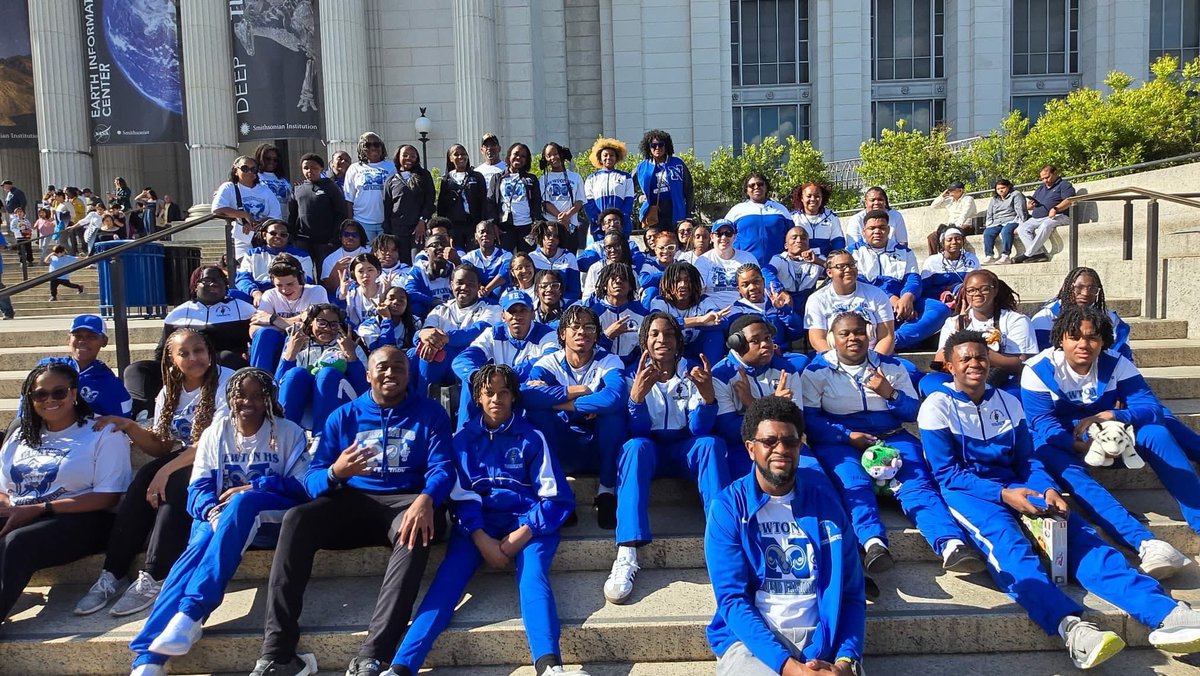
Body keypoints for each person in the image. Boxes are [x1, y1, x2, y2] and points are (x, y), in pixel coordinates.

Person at [922, 329, 1200, 669]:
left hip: (1018, 480)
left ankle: (1167, 613)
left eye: (980, 356)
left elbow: (1028, 459)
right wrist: (1004, 494)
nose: (974, 363)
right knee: (1011, 551)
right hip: (970, 492)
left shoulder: (1008, 402)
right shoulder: (936, 406)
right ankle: (1073, 629)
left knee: (1080, 536)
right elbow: (947, 474)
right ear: (950, 366)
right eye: (964, 358)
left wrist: (1048, 489)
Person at [248, 346, 454, 676]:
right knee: (296, 518)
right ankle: (277, 653)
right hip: (353, 501)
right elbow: (312, 479)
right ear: (368, 375)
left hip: (406, 501)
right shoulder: (343, 417)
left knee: (414, 529)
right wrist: (336, 472)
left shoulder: (430, 413)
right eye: (382, 367)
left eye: (398, 367)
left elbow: (443, 467)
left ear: (409, 373)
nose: (390, 373)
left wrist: (427, 499)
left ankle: (373, 654)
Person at [382, 365, 587, 676]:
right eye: (489, 392)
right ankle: (401, 667)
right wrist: (481, 538)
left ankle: (549, 665)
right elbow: (461, 497)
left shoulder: (532, 436)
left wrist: (523, 533)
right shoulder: (462, 440)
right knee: (445, 585)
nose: (496, 399)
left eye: (503, 392)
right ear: (477, 397)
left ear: (513, 397)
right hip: (478, 526)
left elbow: (556, 497)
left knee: (533, 578)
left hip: (529, 524)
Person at [126, 369, 310, 675]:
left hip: (269, 519)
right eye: (240, 395)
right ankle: (149, 658)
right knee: (194, 549)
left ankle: (192, 611)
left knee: (242, 502)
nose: (247, 401)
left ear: (269, 399)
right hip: (220, 516)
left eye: (256, 395)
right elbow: (198, 489)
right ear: (229, 398)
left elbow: (304, 486)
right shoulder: (216, 431)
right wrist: (211, 512)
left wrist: (256, 487)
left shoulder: (289, 432)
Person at [1021, 305, 1198, 579]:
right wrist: (1081, 446)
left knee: (1157, 433)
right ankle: (1145, 543)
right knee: (1055, 458)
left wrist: (1111, 414)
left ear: (1103, 340)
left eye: (1092, 337)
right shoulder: (1039, 369)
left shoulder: (1116, 363)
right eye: (1075, 336)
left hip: (1114, 434)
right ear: (1061, 339)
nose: (1084, 344)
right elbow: (1043, 424)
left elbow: (1150, 407)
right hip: (1065, 442)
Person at [801, 312, 981, 576]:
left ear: (870, 335)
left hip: (891, 433)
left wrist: (890, 393)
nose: (853, 338)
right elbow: (810, 420)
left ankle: (951, 544)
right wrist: (847, 436)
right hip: (842, 439)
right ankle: (873, 543)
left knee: (916, 482)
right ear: (832, 338)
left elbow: (912, 413)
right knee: (854, 483)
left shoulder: (892, 366)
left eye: (859, 332)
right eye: (845, 333)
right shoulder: (817, 370)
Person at [75, 329, 233, 619]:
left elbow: (213, 442)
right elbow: (161, 447)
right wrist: (131, 427)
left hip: (228, 461)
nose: (194, 358)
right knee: (143, 479)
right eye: (184, 353)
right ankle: (112, 573)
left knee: (172, 484)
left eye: (199, 350)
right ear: (171, 360)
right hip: (187, 458)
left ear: (209, 352)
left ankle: (154, 576)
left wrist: (166, 471)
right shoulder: (170, 391)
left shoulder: (227, 381)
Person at [704, 396, 865, 676]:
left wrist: (846, 661)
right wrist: (791, 668)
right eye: (769, 442)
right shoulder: (728, 507)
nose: (781, 450)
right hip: (752, 643)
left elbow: (851, 594)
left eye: (790, 442)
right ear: (751, 449)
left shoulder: (827, 506)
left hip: (823, 641)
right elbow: (732, 599)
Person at [604, 313, 729, 605]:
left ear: (678, 341)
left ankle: (724, 544)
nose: (662, 340)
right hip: (651, 450)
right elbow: (638, 431)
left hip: (683, 448)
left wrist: (709, 398)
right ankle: (628, 550)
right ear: (645, 341)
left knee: (710, 444)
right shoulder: (630, 375)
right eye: (655, 335)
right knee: (634, 448)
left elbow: (699, 429)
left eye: (669, 334)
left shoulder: (693, 372)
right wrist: (636, 400)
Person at [0, 362, 131, 623]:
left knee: (17, 543)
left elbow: (108, 496)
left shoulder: (102, 432)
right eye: (40, 394)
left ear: (73, 393)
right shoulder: (20, 435)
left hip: (81, 518)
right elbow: (3, 489)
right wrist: (7, 505)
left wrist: (40, 508)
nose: (49, 400)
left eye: (58, 392)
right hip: (22, 512)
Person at [522, 305, 627, 529]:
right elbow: (528, 395)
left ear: (597, 334)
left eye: (589, 327)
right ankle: (560, 491)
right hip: (562, 447)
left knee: (613, 416)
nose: (582, 332)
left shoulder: (608, 360)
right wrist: (581, 391)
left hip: (598, 449)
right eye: (575, 326)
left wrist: (561, 404)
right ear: (562, 333)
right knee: (536, 412)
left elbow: (615, 397)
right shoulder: (549, 362)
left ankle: (606, 493)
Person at [711, 315, 804, 476]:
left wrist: (752, 404)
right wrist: (778, 408)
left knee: (815, 481)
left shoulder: (786, 369)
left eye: (768, 338)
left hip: (788, 444)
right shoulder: (721, 375)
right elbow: (729, 430)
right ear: (737, 344)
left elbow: (798, 422)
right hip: (743, 449)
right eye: (755, 341)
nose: (766, 345)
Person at [920, 270, 1036, 397]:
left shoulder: (1016, 320)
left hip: (1002, 379)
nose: (977, 294)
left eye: (984, 289)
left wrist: (974, 348)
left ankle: (969, 398)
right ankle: (964, 399)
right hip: (964, 377)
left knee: (1016, 393)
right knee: (928, 382)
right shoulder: (953, 322)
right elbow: (941, 359)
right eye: (971, 290)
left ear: (995, 290)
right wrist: (961, 333)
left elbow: (1020, 364)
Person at [452, 289, 558, 423]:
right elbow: (462, 360)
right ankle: (466, 434)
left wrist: (502, 377)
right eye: (512, 311)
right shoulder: (494, 332)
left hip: (526, 388)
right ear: (503, 315)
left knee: (539, 388)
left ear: (532, 314)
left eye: (523, 310)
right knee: (471, 382)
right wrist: (478, 377)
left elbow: (548, 363)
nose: (517, 316)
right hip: (499, 390)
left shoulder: (548, 334)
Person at [848, 210, 951, 351]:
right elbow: (859, 281)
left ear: (889, 230)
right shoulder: (852, 252)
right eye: (872, 228)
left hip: (902, 297)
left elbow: (913, 278)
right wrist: (891, 299)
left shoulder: (904, 251)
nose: (877, 231)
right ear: (864, 231)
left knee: (940, 309)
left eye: (882, 228)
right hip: (869, 299)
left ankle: (893, 342)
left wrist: (908, 297)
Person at [409, 264, 501, 397]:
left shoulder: (491, 308)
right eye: (459, 283)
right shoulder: (441, 309)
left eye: (470, 283)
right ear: (451, 285)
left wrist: (446, 338)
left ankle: (425, 401)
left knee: (437, 350)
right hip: (441, 359)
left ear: (478, 286)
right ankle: (416, 401)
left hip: (469, 360)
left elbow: (475, 332)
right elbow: (426, 334)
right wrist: (422, 334)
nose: (464, 287)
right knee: (415, 352)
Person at [276, 304, 369, 430]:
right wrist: (289, 356)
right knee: (296, 373)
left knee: (327, 373)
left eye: (333, 324)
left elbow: (364, 390)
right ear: (310, 323)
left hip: (340, 406)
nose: (327, 328)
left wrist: (351, 356)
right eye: (321, 322)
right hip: (305, 409)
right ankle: (285, 431)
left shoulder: (350, 345)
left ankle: (323, 436)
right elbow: (279, 385)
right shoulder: (296, 343)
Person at [35, 315, 133, 419]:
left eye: (91, 337)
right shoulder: (48, 368)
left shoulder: (110, 383)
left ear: (104, 341)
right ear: (69, 339)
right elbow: (26, 412)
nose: (83, 341)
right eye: (78, 336)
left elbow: (122, 423)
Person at [803, 250, 896, 354]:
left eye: (851, 265)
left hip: (873, 355)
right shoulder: (817, 299)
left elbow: (886, 336)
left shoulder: (876, 294)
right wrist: (838, 363)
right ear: (829, 272)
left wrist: (873, 362)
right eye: (841, 266)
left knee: (910, 369)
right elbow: (817, 339)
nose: (848, 269)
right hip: (832, 358)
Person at [248, 257, 330, 372]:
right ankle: (259, 378)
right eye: (279, 285)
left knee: (292, 337)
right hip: (275, 342)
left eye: (290, 284)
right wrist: (296, 320)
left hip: (306, 346)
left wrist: (272, 319)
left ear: (301, 279)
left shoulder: (317, 291)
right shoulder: (269, 295)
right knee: (264, 333)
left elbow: (312, 325)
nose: (285, 290)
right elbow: (254, 329)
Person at [649, 261, 729, 364]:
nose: (683, 285)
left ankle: (713, 374)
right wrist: (700, 321)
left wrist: (700, 323)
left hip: (695, 349)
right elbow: (655, 324)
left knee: (715, 333)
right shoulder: (660, 302)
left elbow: (722, 320)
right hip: (670, 349)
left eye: (687, 281)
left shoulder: (703, 300)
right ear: (667, 283)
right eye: (677, 281)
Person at [212, 155, 283, 262]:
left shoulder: (265, 190)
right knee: (246, 265)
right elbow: (217, 209)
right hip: (241, 237)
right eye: (245, 168)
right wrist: (244, 215)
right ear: (236, 171)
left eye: (253, 169)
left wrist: (259, 223)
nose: (249, 172)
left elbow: (276, 214)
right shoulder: (229, 187)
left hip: (263, 236)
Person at [583, 262, 651, 367]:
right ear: (605, 285)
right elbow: (587, 350)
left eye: (623, 278)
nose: (618, 281)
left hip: (633, 370)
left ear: (630, 286)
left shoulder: (642, 314)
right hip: (600, 367)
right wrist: (607, 336)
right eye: (613, 278)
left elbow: (644, 350)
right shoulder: (593, 314)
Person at [288, 153, 348, 265]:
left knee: (324, 272)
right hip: (302, 240)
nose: (310, 171)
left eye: (314, 167)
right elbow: (293, 214)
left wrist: (334, 238)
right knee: (304, 271)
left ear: (321, 169)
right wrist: (292, 236)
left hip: (325, 241)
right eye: (306, 168)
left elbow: (340, 213)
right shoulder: (297, 188)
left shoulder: (331, 187)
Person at [236, 221, 315, 304]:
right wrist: (255, 293)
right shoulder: (251, 254)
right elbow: (242, 279)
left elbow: (306, 280)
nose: (278, 237)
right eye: (273, 233)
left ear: (288, 237)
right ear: (264, 235)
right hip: (257, 294)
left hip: (288, 293)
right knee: (233, 294)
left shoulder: (302, 256)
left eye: (283, 235)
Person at [383, 144, 435, 264]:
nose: (409, 158)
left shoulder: (424, 175)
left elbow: (430, 201)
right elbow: (387, 207)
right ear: (398, 157)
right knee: (402, 263)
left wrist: (422, 221)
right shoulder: (391, 179)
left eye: (412, 156)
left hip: (418, 229)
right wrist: (388, 234)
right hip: (398, 230)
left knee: (418, 262)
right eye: (405, 155)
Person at [725, 173, 791, 267]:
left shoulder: (781, 209)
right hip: (745, 266)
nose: (756, 187)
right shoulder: (736, 210)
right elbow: (723, 236)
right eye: (752, 185)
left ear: (766, 187)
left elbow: (793, 236)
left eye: (760, 184)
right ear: (746, 190)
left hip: (778, 267)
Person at [634, 130, 693, 232]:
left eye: (661, 145)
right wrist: (639, 197)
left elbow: (689, 189)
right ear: (648, 147)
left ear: (666, 146)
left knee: (675, 238)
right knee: (657, 240)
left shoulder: (678, 164)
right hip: (653, 211)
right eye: (654, 145)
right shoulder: (642, 167)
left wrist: (688, 212)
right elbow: (629, 188)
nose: (657, 148)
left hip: (675, 208)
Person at [1015, 165, 1076, 264]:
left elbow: (1069, 200)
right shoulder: (1041, 188)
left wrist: (1056, 208)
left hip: (1059, 216)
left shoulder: (1064, 185)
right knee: (1021, 228)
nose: (1045, 180)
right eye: (1042, 178)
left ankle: (1028, 254)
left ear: (1055, 173)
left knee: (1046, 225)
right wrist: (1030, 205)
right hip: (1038, 217)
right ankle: (1038, 254)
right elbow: (1031, 205)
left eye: (1047, 177)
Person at [343, 132, 397, 241]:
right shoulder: (354, 168)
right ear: (361, 148)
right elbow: (349, 199)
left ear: (382, 147)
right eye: (367, 145)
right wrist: (351, 223)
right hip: (362, 222)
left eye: (376, 144)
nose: (373, 148)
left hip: (385, 222)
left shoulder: (392, 167)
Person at [693, 219, 758, 308]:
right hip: (712, 312)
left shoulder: (748, 258)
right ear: (712, 237)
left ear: (734, 237)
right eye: (719, 233)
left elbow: (757, 288)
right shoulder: (703, 260)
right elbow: (698, 292)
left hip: (742, 309)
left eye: (728, 233)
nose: (723, 237)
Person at [437, 144, 490, 247]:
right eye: (456, 154)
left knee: (474, 252)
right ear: (450, 158)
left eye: (463, 154)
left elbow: (484, 201)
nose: (461, 157)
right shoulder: (446, 180)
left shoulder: (477, 176)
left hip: (474, 223)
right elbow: (441, 205)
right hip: (454, 225)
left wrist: (485, 223)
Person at [767, 225, 824, 317]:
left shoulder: (818, 258)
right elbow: (765, 273)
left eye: (803, 238)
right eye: (794, 238)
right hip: (785, 303)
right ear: (786, 245)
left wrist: (818, 261)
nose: (799, 240)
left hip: (809, 305)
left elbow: (836, 270)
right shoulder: (779, 259)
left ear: (808, 244)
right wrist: (780, 290)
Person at [583, 137, 634, 238]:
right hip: (599, 226)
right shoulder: (591, 178)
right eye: (605, 155)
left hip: (621, 225)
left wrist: (618, 220)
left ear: (616, 157)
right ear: (600, 158)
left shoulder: (626, 177)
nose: (608, 158)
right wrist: (600, 220)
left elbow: (629, 201)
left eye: (612, 155)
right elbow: (588, 203)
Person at [539, 142, 585, 252]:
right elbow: (544, 202)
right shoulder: (543, 178)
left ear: (562, 154)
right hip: (551, 226)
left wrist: (568, 215)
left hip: (570, 226)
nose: (553, 157)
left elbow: (580, 201)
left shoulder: (576, 177)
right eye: (548, 156)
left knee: (569, 256)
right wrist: (560, 216)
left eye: (555, 153)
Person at [497, 143, 543, 253]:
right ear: (509, 156)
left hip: (527, 226)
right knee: (505, 258)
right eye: (516, 154)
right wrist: (494, 224)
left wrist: (537, 223)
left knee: (528, 257)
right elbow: (491, 202)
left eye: (523, 156)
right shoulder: (498, 177)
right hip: (505, 227)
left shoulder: (531, 178)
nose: (519, 158)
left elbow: (537, 202)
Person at [920, 226, 980, 302]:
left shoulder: (971, 258)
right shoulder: (932, 261)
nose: (954, 242)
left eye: (958, 239)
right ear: (942, 243)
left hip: (968, 297)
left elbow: (979, 282)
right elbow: (925, 289)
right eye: (949, 240)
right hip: (940, 300)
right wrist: (946, 290)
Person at [788, 181, 844, 259]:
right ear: (802, 198)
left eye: (817, 196)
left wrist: (834, 261)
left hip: (825, 262)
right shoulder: (792, 218)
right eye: (809, 196)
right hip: (800, 262)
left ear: (822, 198)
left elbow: (838, 243)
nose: (813, 199)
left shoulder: (831, 217)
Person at [528, 220, 581, 299]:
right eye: (548, 235)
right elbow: (528, 287)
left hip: (563, 304)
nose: (551, 238)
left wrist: (560, 303)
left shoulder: (569, 258)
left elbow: (574, 291)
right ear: (542, 236)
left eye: (556, 236)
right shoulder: (532, 258)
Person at [358, 286, 420, 352]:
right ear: (382, 301)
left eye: (401, 300)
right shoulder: (367, 326)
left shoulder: (415, 322)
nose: (396, 302)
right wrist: (386, 319)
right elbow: (382, 351)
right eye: (391, 298)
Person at [461, 219, 512, 299]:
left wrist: (486, 290)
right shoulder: (470, 257)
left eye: (489, 232)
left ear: (495, 236)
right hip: (478, 296)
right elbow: (462, 271)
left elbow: (505, 273)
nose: (485, 235)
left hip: (500, 297)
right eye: (481, 232)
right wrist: (479, 287)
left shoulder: (506, 255)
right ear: (476, 236)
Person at [843, 186, 908, 247]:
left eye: (880, 199)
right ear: (866, 203)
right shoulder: (856, 220)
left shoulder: (896, 216)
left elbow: (902, 242)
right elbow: (853, 246)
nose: (876, 202)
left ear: (885, 202)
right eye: (872, 200)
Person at [981, 178, 1027, 264]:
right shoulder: (994, 199)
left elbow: (1020, 209)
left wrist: (1022, 224)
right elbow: (989, 213)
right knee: (988, 232)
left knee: (1005, 231)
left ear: (1008, 187)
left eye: (1003, 188)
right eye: (998, 189)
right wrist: (989, 224)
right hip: (997, 222)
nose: (1000, 191)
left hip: (1012, 220)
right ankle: (989, 256)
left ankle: (1006, 255)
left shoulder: (1016, 194)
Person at [319, 219, 370, 295]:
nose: (350, 238)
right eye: (346, 234)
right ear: (340, 237)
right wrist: (336, 270)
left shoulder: (370, 252)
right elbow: (328, 288)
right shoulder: (330, 259)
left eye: (354, 235)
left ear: (360, 237)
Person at [927, 181, 977, 255]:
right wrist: (942, 196)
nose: (950, 192)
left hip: (965, 225)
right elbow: (933, 206)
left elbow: (964, 215)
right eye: (949, 190)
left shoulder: (968, 199)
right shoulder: (950, 200)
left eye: (952, 190)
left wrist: (954, 228)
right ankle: (933, 258)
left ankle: (952, 255)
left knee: (952, 234)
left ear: (960, 190)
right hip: (950, 226)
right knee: (932, 236)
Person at [255, 143, 292, 221]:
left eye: (275, 160)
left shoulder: (282, 179)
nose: (271, 162)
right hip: (264, 222)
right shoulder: (255, 176)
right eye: (268, 159)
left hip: (283, 222)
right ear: (260, 158)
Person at [476, 133, 508, 203]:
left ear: (499, 148)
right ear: (481, 150)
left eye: (493, 145)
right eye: (486, 146)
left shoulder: (507, 169)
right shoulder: (477, 172)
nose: (489, 148)